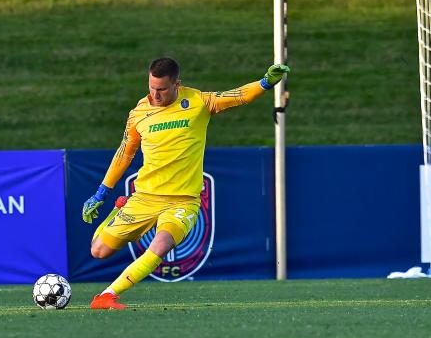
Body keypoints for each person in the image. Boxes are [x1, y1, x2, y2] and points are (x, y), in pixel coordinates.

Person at [82, 57, 290, 310]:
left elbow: (237, 96)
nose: (155, 95)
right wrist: (101, 193)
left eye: (161, 89)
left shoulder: (198, 102)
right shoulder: (138, 113)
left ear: (177, 84)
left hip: (182, 201)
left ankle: (106, 296)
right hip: (144, 197)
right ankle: (119, 207)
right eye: (151, 88)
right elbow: (125, 153)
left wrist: (266, 82)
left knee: (160, 245)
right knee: (98, 251)